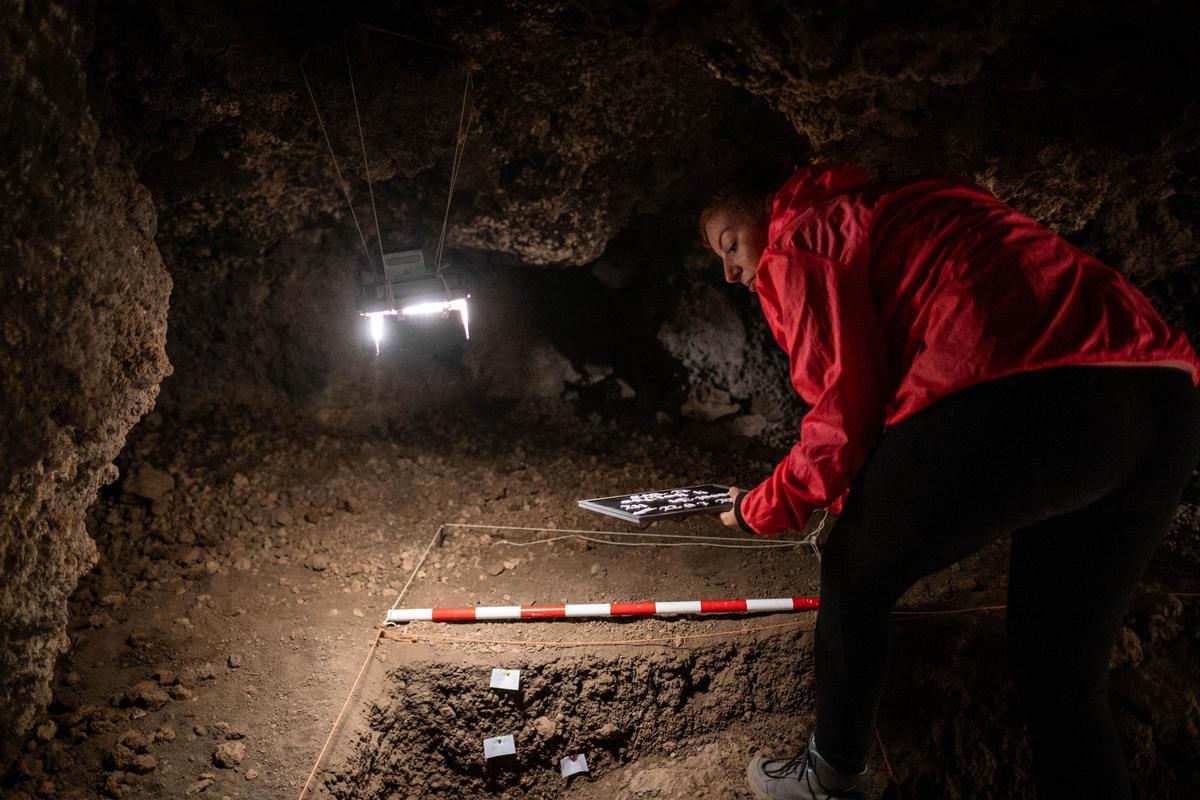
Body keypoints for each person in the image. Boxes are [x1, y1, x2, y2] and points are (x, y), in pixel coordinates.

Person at [700, 162, 1200, 800]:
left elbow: (841, 419)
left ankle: (828, 780)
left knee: (853, 568)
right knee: (1060, 670)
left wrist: (759, 508)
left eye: (730, 245)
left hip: (1030, 387)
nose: (732, 272)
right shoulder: (900, 199)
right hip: (1165, 396)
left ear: (765, 206)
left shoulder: (802, 234)